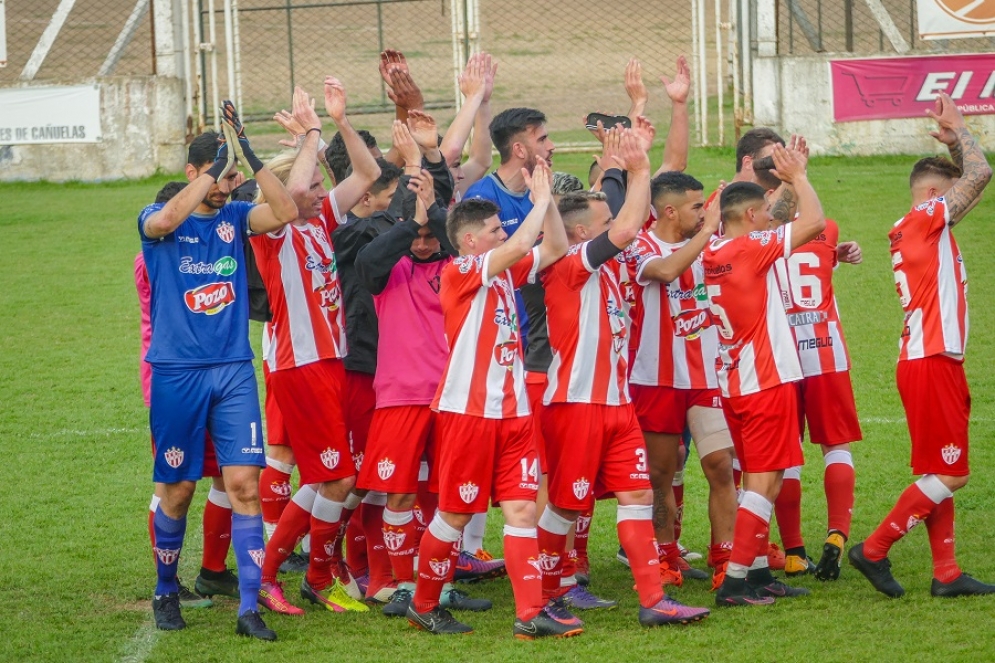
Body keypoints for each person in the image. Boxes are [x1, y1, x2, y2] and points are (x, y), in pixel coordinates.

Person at [538, 127, 711, 628]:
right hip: (575, 404)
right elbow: (631, 227)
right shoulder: (571, 265)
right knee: (566, 507)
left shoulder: (612, 268)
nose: (617, 225)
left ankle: (653, 601)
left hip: (617, 405)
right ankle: (551, 591)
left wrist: (639, 163)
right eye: (604, 222)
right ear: (579, 233)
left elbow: (640, 227)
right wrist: (637, 170)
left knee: (636, 497)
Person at [139, 102, 298, 639]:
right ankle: (166, 590)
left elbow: (285, 212)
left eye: (231, 175)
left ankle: (249, 608)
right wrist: (213, 168)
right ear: (194, 172)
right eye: (220, 172)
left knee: (245, 487)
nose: (227, 184)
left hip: (232, 371)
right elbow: (164, 219)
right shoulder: (155, 223)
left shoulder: (235, 218)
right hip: (177, 375)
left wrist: (248, 156)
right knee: (178, 489)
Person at [408, 159, 570, 638]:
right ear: (471, 240)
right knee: (454, 514)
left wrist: (551, 201)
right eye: (496, 229)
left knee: (521, 510)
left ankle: (530, 614)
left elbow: (555, 246)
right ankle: (422, 604)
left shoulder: (502, 272)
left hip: (514, 413)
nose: (505, 234)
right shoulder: (461, 270)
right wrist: (537, 200)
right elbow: (524, 242)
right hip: (469, 414)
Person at [849, 93, 995, 599]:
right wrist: (963, 136)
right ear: (934, 195)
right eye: (949, 198)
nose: (961, 206)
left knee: (940, 468)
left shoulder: (922, 228)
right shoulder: (924, 221)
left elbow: (972, 187)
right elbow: (981, 178)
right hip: (930, 361)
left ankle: (947, 573)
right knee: (952, 474)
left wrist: (957, 150)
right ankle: (874, 548)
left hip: (933, 359)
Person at [249, 81, 380, 616]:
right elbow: (295, 188)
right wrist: (309, 136)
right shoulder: (273, 231)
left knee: (332, 474)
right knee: (338, 476)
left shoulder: (321, 219)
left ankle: (307, 575)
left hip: (329, 362)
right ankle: (293, 575)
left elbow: (368, 175)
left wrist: (340, 124)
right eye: (311, 186)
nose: (322, 190)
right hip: (299, 365)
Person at [354, 170, 489, 617]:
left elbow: (459, 243)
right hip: (401, 396)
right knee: (400, 495)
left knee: (445, 497)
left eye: (434, 237)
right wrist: (411, 224)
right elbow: (367, 261)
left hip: (453, 398)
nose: (426, 244)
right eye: (419, 237)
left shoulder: (459, 270)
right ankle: (400, 584)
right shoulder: (389, 271)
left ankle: (440, 584)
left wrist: (433, 212)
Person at [704, 139, 825, 606]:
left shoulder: (716, 251)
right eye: (765, 211)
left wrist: (794, 176)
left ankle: (754, 573)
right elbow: (812, 222)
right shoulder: (753, 249)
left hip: (736, 380)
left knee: (766, 478)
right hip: (765, 380)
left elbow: (781, 218)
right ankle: (736, 581)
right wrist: (798, 177)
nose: (771, 214)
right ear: (751, 218)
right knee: (762, 479)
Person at [626, 171, 738, 590]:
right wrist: (708, 231)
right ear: (670, 211)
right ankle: (665, 555)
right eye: (696, 206)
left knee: (720, 466)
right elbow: (669, 271)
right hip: (655, 378)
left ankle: (725, 558)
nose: (705, 212)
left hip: (706, 375)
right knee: (660, 473)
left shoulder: (710, 240)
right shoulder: (639, 247)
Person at [135, 182, 234, 611]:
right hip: (171, 380)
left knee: (225, 475)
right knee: (172, 483)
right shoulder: (154, 257)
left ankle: (212, 570)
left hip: (210, 375)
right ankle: (168, 581)